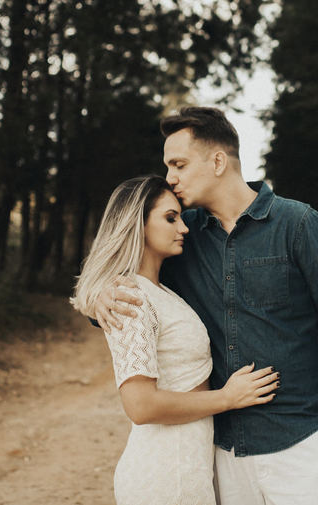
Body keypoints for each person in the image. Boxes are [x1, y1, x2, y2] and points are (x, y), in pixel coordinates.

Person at [91, 107, 318, 505]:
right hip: (223, 455)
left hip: (302, 444)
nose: (170, 177)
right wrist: (99, 293)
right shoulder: (183, 237)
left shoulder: (300, 225)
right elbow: (137, 285)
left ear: (218, 161)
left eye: (179, 164)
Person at [72, 175, 281, 505]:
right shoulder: (129, 297)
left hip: (188, 468)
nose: (183, 228)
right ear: (136, 224)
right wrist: (227, 398)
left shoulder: (161, 290)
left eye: (180, 216)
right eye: (170, 218)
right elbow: (140, 406)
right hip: (167, 477)